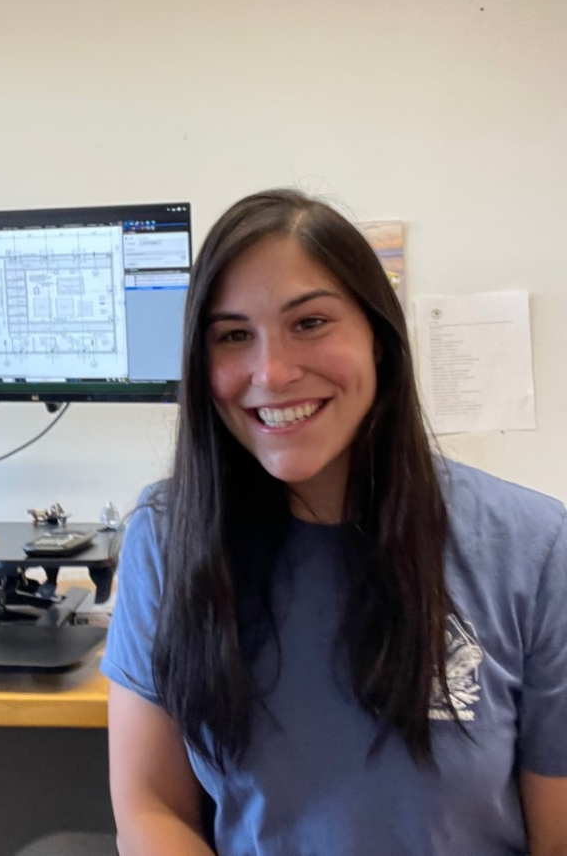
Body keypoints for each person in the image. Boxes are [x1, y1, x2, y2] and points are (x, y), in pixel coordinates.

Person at [102, 189, 567, 855]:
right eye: (233, 336)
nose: (272, 371)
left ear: (379, 337)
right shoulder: (167, 538)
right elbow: (153, 809)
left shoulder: (535, 547)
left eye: (310, 323)